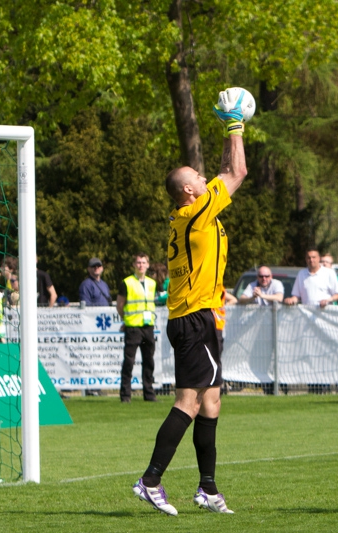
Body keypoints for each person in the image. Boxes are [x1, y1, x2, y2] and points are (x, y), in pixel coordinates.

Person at [132, 89, 248, 517]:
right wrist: (235, 122)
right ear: (188, 190)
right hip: (195, 321)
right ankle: (150, 480)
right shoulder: (197, 214)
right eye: (198, 178)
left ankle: (207, 489)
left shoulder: (194, 215)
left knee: (212, 401)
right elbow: (237, 171)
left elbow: (223, 168)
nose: (206, 178)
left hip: (198, 318)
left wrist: (223, 129)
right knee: (189, 402)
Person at [117, 253, 157, 403]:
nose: (141, 265)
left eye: (143, 262)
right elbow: (120, 305)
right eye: (138, 262)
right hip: (133, 327)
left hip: (148, 327)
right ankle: (125, 395)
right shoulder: (127, 282)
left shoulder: (152, 283)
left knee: (149, 361)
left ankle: (149, 393)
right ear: (134, 265)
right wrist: (126, 319)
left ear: (148, 265)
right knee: (129, 362)